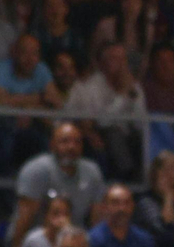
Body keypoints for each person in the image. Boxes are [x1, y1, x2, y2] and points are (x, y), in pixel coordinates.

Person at [10, 124, 106, 247]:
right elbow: (25, 216)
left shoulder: (92, 171)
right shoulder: (37, 170)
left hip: (75, 242)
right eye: (64, 141)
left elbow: (97, 219)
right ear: (52, 145)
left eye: (77, 142)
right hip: (39, 242)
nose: (71, 147)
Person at [0, 33, 57, 174]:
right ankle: (1, 194)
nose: (30, 59)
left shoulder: (41, 70)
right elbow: (3, 102)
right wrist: (37, 99)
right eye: (24, 52)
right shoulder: (0, 68)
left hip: (23, 129)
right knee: (4, 143)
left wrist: (27, 106)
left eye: (34, 53)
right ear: (14, 53)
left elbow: (55, 102)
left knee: (46, 143)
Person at [61, 42, 143, 180]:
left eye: (123, 59)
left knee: (144, 137)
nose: (121, 64)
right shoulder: (90, 86)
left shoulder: (133, 86)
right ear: (101, 63)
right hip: (101, 133)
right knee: (113, 133)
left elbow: (141, 122)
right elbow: (103, 121)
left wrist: (131, 94)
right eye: (114, 58)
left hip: (129, 135)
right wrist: (123, 95)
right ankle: (128, 177)